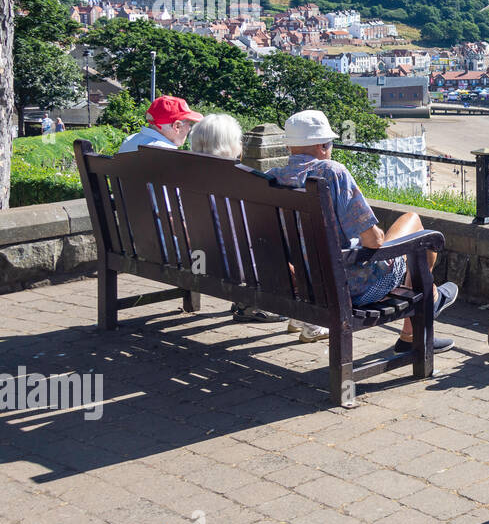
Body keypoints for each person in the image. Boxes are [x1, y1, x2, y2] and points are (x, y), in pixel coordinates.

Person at [266, 110, 457, 346]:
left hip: (304, 284)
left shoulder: (271, 179)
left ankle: (429, 302)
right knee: (417, 228)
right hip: (349, 288)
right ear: (322, 146)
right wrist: (377, 236)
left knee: (408, 236)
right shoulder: (331, 173)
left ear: (290, 147)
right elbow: (373, 242)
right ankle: (418, 324)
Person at [188, 114, 285, 326]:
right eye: (238, 140)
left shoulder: (182, 174)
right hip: (228, 266)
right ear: (229, 145)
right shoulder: (241, 180)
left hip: (192, 260)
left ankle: (246, 301)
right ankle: (250, 304)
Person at [118, 95, 202, 153]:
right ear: (177, 126)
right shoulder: (167, 152)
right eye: (189, 124)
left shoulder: (129, 140)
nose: (190, 129)